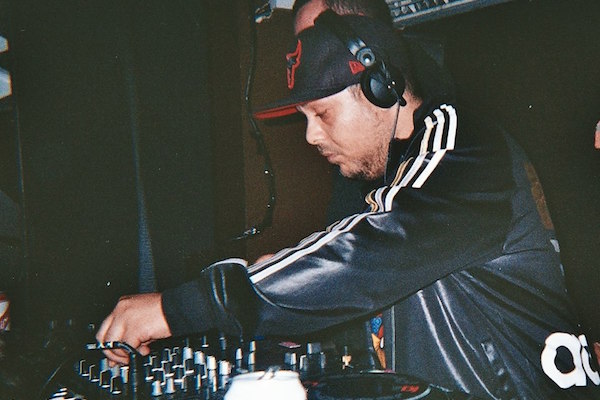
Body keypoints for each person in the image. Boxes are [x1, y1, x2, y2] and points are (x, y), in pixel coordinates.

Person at [97, 10, 600, 399]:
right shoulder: (406, 172)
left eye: (321, 113)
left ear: (382, 90)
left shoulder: (461, 144)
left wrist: (180, 308)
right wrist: (284, 291)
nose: (311, 136)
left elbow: (378, 246)